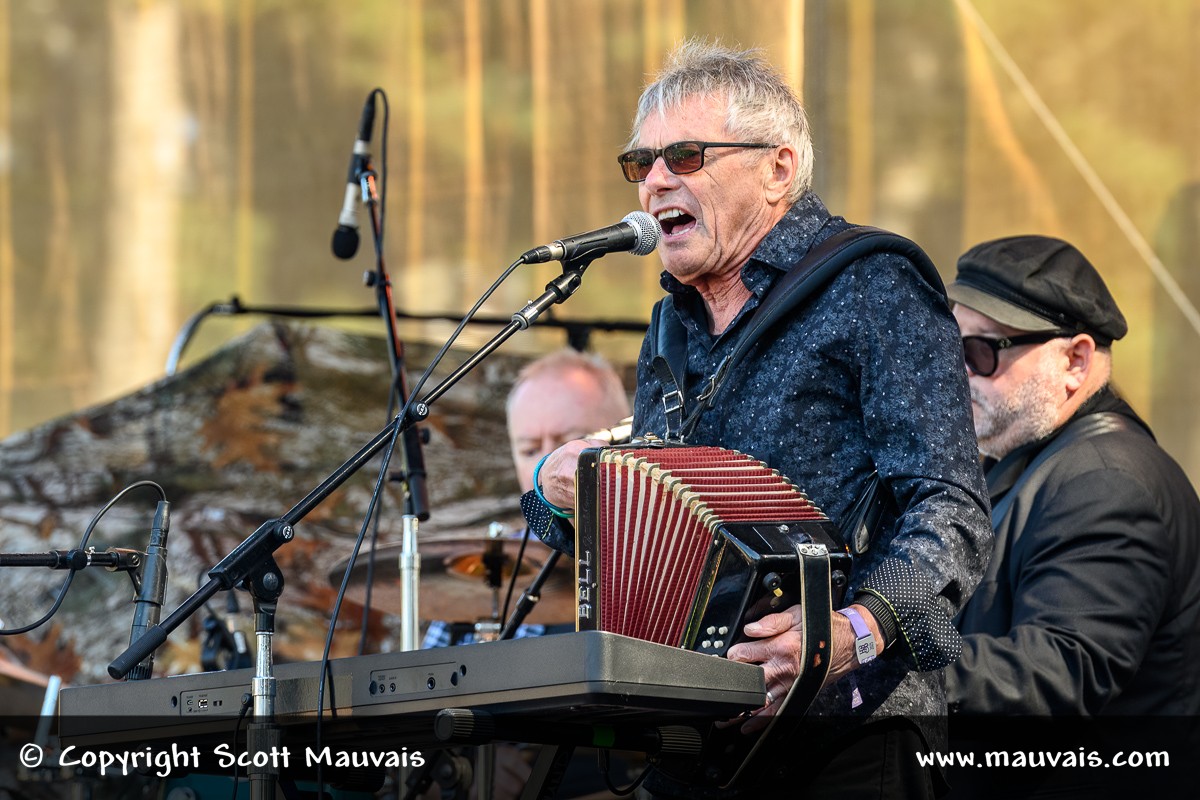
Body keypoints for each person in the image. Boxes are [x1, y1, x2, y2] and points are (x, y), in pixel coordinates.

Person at [525, 40, 992, 798]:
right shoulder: (670, 328)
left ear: (778, 167)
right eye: (639, 164)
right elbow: (657, 523)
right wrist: (560, 485)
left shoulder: (873, 283)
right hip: (696, 738)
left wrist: (850, 632)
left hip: (849, 735)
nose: (654, 182)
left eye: (683, 155)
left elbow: (951, 507)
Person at [941, 236, 1200, 794]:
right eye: (948, 345)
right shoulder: (1031, 455)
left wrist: (871, 663)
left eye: (981, 351)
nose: (958, 371)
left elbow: (1058, 672)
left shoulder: (1106, 480)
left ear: (1075, 361)